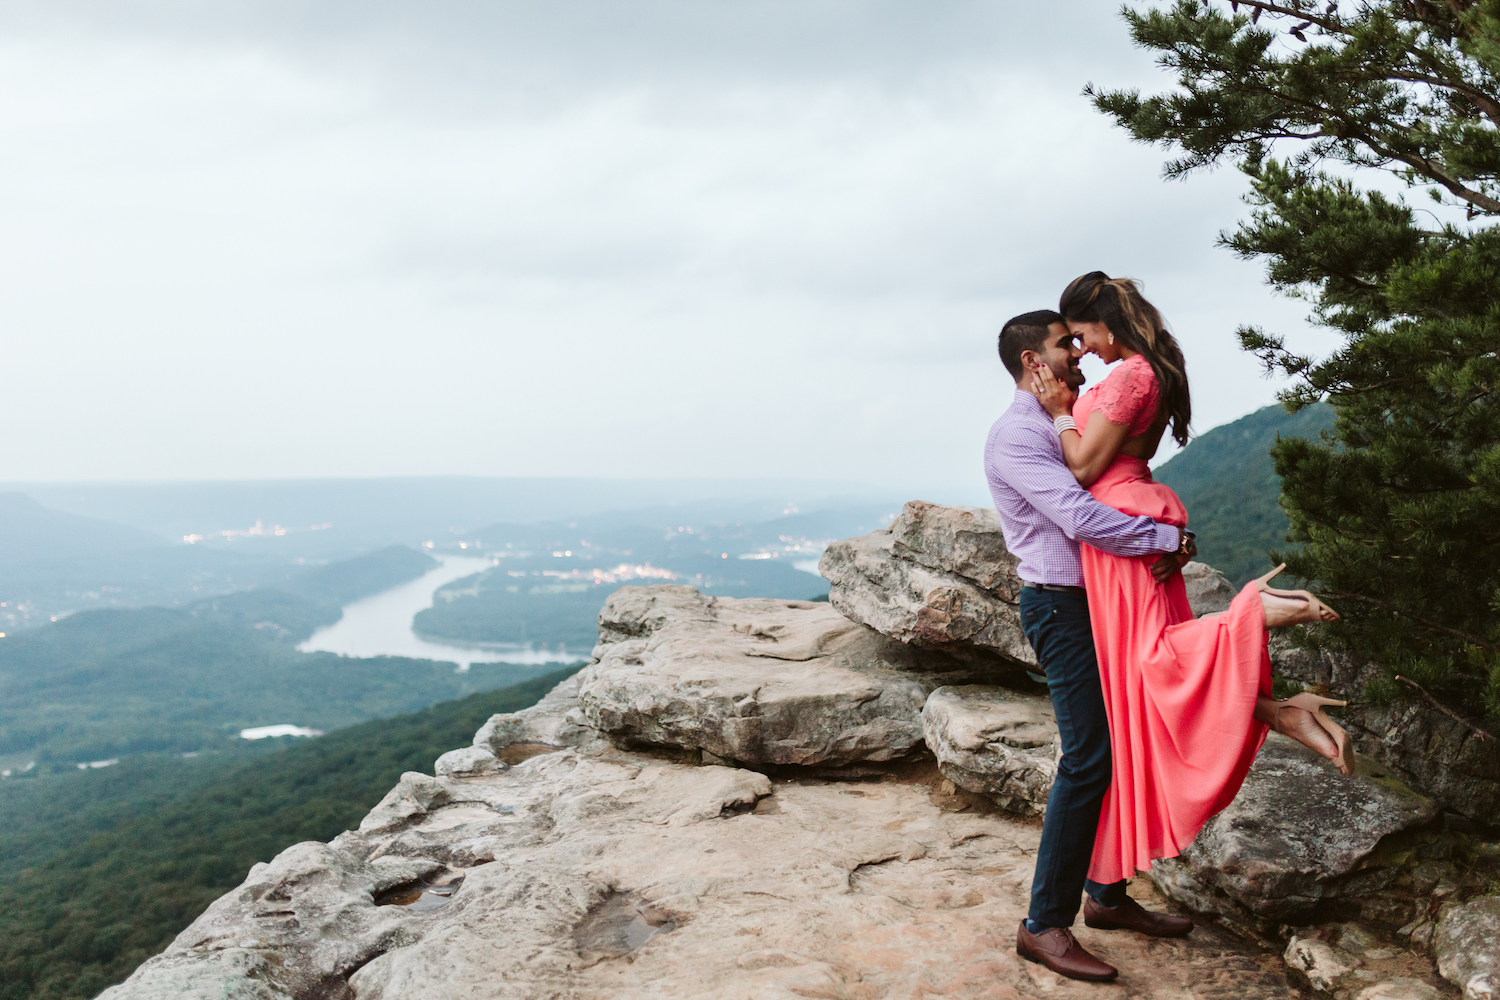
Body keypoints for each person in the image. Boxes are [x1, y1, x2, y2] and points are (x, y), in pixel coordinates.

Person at [1028, 271, 1349, 899]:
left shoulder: (1131, 375)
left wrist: (1061, 413)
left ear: (1102, 318)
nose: (1083, 350)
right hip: (1127, 524)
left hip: (1120, 524)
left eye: (1083, 334)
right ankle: (1279, 714)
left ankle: (1248, 612)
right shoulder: (1144, 369)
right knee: (1138, 686)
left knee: (1151, 663)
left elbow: (1086, 465)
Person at [985, 309, 1198, 984]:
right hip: (1060, 606)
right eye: (1063, 347)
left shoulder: (1055, 421)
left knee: (1125, 743)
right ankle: (1043, 925)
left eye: (1077, 342)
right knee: (1088, 758)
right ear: (1031, 363)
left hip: (1101, 602)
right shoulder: (1015, 438)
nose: (1077, 355)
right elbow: (1077, 515)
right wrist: (1167, 540)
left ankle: (1106, 895)